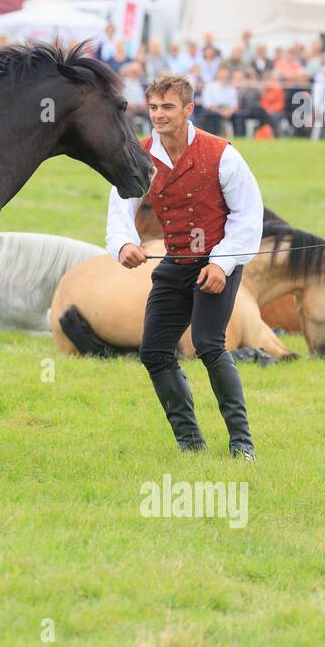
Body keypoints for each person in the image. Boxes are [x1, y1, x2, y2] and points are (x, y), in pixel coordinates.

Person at [106, 74, 263, 460]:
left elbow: (248, 215)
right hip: (175, 262)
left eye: (168, 108)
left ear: (188, 109)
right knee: (154, 351)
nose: (159, 115)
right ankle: (190, 443)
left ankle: (242, 443)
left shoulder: (222, 153)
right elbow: (119, 208)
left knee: (209, 344)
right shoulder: (140, 156)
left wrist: (222, 265)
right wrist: (125, 243)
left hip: (217, 262)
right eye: (154, 107)